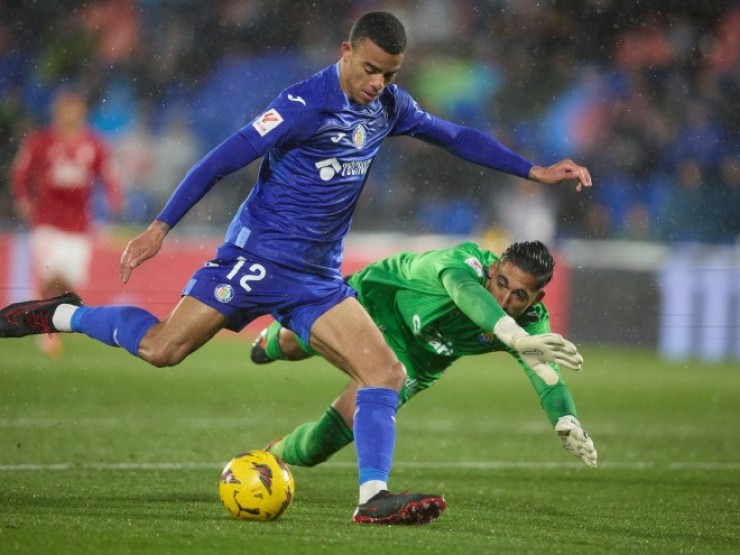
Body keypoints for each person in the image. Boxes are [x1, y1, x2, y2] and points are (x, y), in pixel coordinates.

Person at [0, 12, 592, 524]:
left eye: (389, 74)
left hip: (316, 277)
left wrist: (532, 170)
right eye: (369, 70)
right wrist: (160, 227)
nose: (377, 84)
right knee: (162, 349)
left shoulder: (389, 106)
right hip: (258, 258)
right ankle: (62, 314)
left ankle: (372, 498)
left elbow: (456, 136)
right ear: (346, 52)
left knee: (383, 372)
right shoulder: (303, 104)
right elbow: (221, 158)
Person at [251, 240, 597, 470]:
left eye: (520, 295)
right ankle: (271, 340)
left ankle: (267, 459)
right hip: (376, 302)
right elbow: (465, 294)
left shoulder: (533, 324)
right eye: (501, 283)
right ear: (493, 269)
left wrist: (566, 419)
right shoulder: (462, 263)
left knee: (318, 447)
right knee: (294, 342)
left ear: (536, 300)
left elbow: (548, 377)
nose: (504, 300)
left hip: (413, 361)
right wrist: (511, 333)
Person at [8, 86, 122, 356]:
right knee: (50, 276)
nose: (70, 115)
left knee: (70, 284)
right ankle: (45, 331)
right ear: (57, 112)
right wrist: (23, 198)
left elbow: (108, 174)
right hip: (47, 221)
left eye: (75, 110)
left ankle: (54, 324)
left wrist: (114, 197)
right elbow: (20, 172)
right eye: (65, 110)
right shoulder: (40, 142)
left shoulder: (93, 144)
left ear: (82, 113)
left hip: (79, 226)